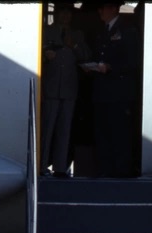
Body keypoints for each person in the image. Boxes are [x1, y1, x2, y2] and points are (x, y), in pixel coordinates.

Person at [88, 2, 140, 178]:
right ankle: (105, 171)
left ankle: (121, 173)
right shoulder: (103, 30)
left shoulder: (127, 30)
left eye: (103, 7)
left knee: (119, 134)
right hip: (102, 93)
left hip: (119, 93)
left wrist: (110, 68)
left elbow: (133, 61)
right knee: (103, 134)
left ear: (113, 8)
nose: (100, 10)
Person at [41, 2, 90, 178]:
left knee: (65, 129)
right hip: (50, 88)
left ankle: (60, 167)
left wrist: (74, 45)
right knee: (47, 129)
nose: (66, 16)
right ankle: (42, 165)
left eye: (69, 13)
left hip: (69, 90)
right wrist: (45, 55)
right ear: (58, 13)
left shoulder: (77, 34)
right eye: (63, 12)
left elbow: (86, 57)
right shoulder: (46, 31)